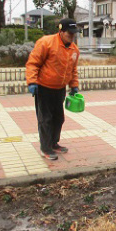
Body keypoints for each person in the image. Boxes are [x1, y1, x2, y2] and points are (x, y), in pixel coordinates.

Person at [26, 18, 80, 160]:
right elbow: (33, 63)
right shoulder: (46, 42)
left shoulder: (74, 50)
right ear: (61, 31)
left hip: (60, 89)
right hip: (44, 88)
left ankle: (54, 143)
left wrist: (74, 85)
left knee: (58, 118)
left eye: (74, 34)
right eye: (69, 33)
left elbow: (73, 70)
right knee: (45, 119)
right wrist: (32, 82)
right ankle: (45, 147)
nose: (72, 36)